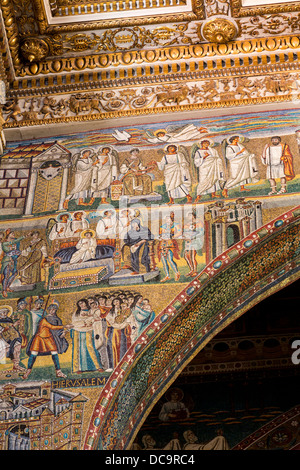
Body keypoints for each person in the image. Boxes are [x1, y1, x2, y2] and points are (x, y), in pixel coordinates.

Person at [23, 300, 72, 379]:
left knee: (54, 353)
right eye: (51, 309)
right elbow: (52, 327)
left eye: (54, 310)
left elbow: (55, 329)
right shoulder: (43, 320)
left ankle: (58, 372)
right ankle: (28, 371)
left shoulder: (55, 318)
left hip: (49, 338)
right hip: (39, 339)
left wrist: (64, 330)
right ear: (49, 310)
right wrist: (65, 326)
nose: (53, 311)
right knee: (34, 354)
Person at [70, 298, 104, 373]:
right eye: (79, 304)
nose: (81, 305)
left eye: (82, 303)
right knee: (77, 349)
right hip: (77, 331)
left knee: (90, 346)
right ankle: (77, 368)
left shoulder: (90, 311)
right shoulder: (77, 312)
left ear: (86, 303)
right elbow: (74, 321)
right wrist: (83, 322)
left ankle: (97, 367)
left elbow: (96, 318)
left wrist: (89, 320)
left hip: (88, 330)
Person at [0, 230, 30, 298]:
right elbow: (11, 247)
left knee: (15, 273)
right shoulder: (4, 243)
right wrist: (24, 236)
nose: (14, 234)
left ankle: (7, 287)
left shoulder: (14, 243)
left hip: (13, 261)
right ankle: (4, 290)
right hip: (7, 261)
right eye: (12, 233)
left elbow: (16, 250)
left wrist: (18, 253)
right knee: (6, 275)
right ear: (8, 235)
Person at [157, 213, 181, 282]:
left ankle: (177, 272)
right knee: (163, 261)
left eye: (169, 219)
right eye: (166, 219)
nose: (167, 220)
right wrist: (161, 237)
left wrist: (172, 236)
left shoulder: (176, 225)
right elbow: (160, 234)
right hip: (162, 244)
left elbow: (179, 233)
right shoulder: (163, 226)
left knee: (170, 259)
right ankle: (167, 275)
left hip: (170, 244)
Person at [0, 306, 24, 372]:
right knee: (6, 351)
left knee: (17, 349)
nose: (5, 314)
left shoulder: (9, 320)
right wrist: (13, 325)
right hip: (5, 338)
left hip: (15, 336)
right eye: (3, 312)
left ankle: (16, 365)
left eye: (6, 312)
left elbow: (13, 329)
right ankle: (5, 368)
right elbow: (2, 330)